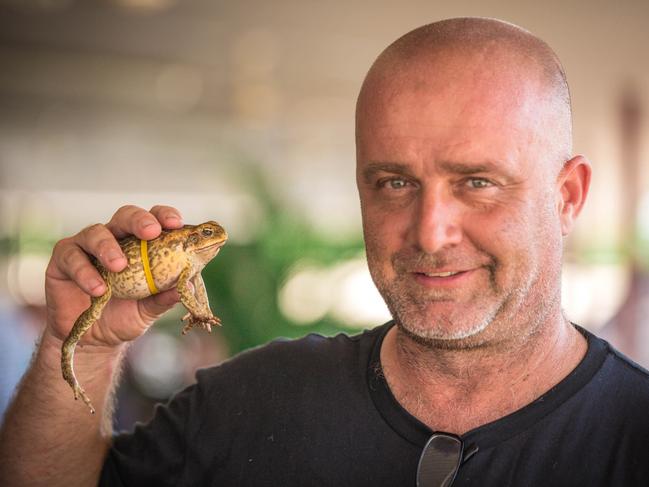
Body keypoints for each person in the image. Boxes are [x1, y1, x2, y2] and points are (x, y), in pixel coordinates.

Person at [1, 17, 648, 487]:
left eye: (475, 182)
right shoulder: (249, 401)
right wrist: (83, 343)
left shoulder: (631, 435)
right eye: (394, 182)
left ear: (566, 196)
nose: (428, 231)